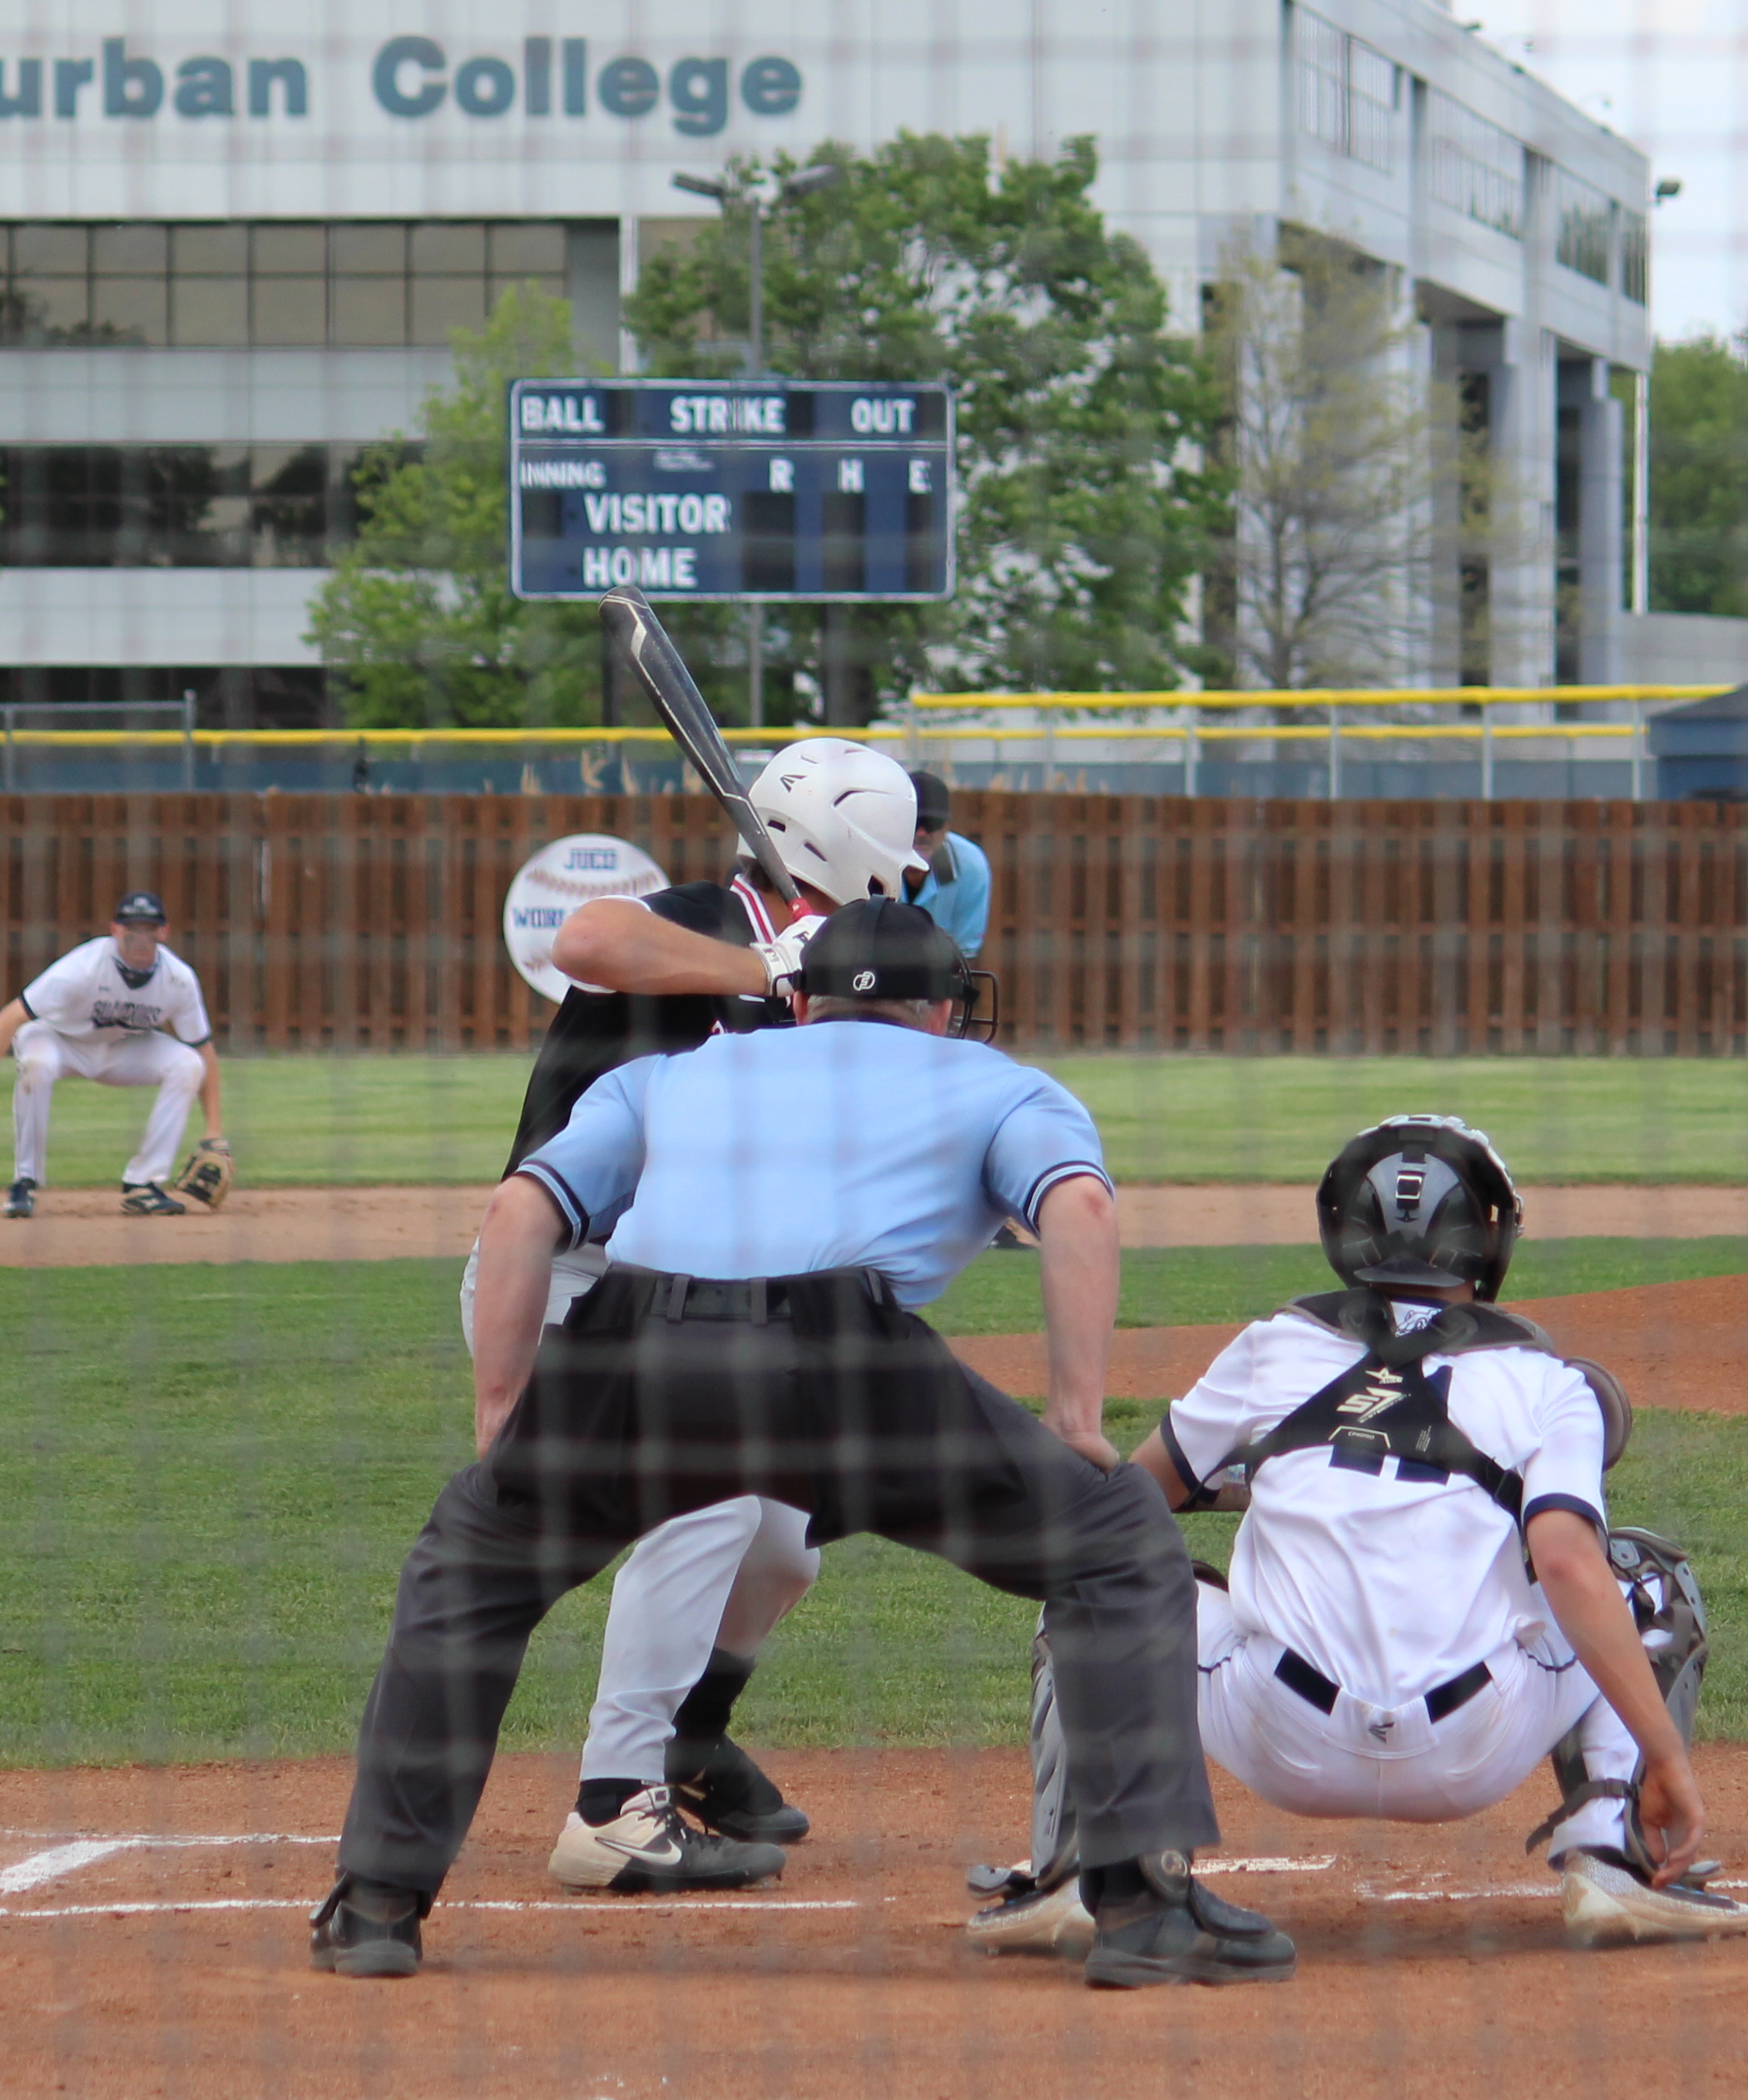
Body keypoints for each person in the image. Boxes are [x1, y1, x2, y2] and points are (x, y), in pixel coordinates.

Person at [314, 895, 1287, 1991]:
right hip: (845, 1366)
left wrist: (504, 1412)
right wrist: (1073, 1418)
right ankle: (1145, 1903)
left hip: (632, 1351)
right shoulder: (1000, 1082)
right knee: (1116, 1543)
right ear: (943, 1009)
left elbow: (518, 1214)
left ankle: (376, 1903)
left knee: (471, 1571)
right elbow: (1081, 1212)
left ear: (798, 1001)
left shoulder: (677, 1072)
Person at [968, 1115, 1748, 1958]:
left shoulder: (1272, 1349)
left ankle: (1082, 1871)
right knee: (1643, 1577)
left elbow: (1128, 1506)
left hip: (1277, 1733)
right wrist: (1668, 1757)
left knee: (1101, 1581)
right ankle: (1613, 1857)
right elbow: (1565, 1562)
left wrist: (1277, 1478)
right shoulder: (1547, 1384)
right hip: (1472, 1747)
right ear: (1489, 1238)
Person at [483, 734, 928, 1893]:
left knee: (784, 1539)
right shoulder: (711, 915)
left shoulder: (839, 972)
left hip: (695, 1290)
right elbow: (587, 941)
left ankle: (690, 1739)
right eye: (908, 846)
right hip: (567, 1272)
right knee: (707, 1494)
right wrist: (755, 965)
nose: (917, 869)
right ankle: (612, 1807)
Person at [0, 888, 225, 1220]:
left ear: (164, 932)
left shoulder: (178, 980)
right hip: (59, 1039)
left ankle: (143, 1185)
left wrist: (214, 1132)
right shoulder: (82, 968)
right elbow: (10, 1017)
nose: (141, 936)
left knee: (188, 1064)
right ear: (115, 930)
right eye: (132, 928)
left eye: (149, 928)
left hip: (121, 1049)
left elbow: (203, 1048)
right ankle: (25, 1181)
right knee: (37, 1065)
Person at [907, 767, 993, 960]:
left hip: (939, 974)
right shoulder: (868, 858)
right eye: (914, 822)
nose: (921, 833)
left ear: (947, 826)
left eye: (932, 823)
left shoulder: (971, 867)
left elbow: (965, 953)